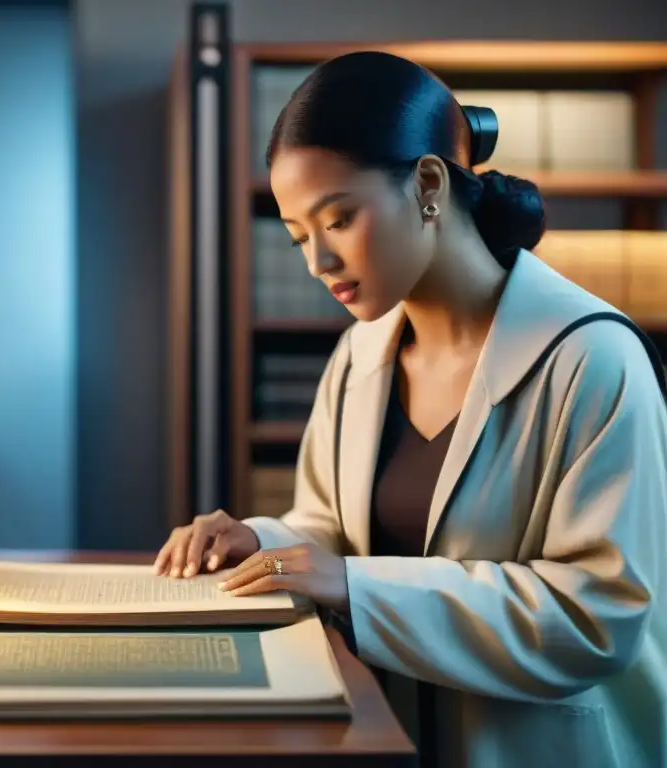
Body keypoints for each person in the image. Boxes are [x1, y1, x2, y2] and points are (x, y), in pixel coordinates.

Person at [153, 51, 667, 768]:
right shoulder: (361, 354)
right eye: (299, 235)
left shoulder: (592, 359)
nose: (317, 264)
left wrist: (354, 586)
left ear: (429, 184)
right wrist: (261, 543)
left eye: (339, 219)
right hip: (383, 741)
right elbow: (329, 530)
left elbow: (596, 616)